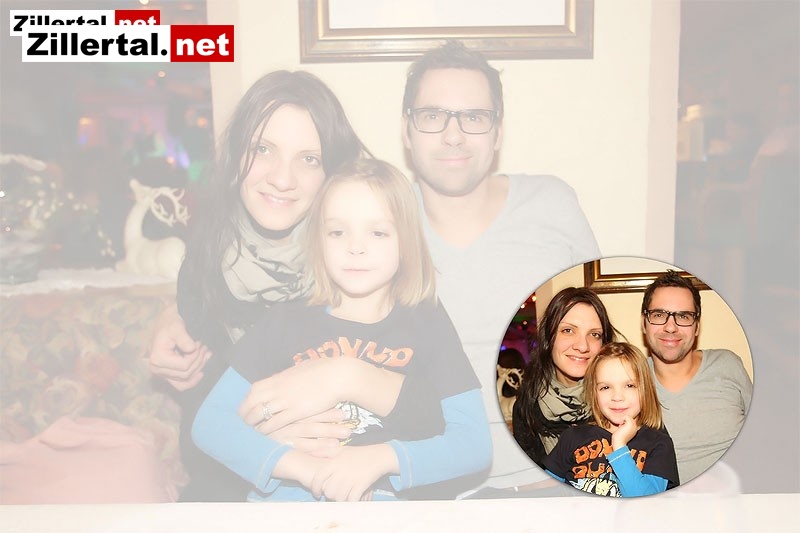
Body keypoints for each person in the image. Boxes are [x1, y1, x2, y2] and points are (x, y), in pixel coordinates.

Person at [151, 41, 601, 497]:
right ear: (406, 130)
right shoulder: (366, 214)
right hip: (428, 493)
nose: (453, 135)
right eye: (432, 115)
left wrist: (347, 377)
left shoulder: (546, 204)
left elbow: (614, 336)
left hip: (554, 473)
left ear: (498, 130)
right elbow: (214, 417)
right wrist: (182, 310)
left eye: (474, 116)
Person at [191, 158, 491, 501]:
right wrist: (307, 470)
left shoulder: (427, 321)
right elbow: (210, 423)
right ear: (318, 240)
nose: (355, 247)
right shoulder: (283, 321)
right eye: (337, 232)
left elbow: (473, 444)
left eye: (378, 232)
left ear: (406, 241)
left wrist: (380, 459)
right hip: (285, 507)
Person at [147, 70, 375, 501]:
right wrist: (259, 437)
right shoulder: (207, 260)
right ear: (237, 154)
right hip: (232, 490)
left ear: (333, 171)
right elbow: (199, 431)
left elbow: (406, 403)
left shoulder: (362, 263)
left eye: (309, 159)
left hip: (342, 486)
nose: (282, 178)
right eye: (263, 149)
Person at [640, 270, 752, 483]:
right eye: (659, 315)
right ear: (644, 323)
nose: (670, 327)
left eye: (683, 316)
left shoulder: (727, 365)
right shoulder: (628, 379)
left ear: (697, 326)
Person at [543, 342, 679, 497]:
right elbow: (547, 493)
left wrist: (619, 446)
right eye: (605, 387)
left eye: (629, 385)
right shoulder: (573, 437)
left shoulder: (658, 444)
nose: (617, 397)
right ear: (594, 393)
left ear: (645, 390)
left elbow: (646, 503)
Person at [512, 287, 617, 469]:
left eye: (594, 334)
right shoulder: (527, 408)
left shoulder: (622, 399)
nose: (583, 346)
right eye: (568, 330)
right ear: (549, 337)